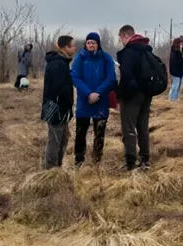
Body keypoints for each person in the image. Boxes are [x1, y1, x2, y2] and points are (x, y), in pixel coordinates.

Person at [71, 32, 116, 166]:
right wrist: (88, 93)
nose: (91, 45)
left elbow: (111, 78)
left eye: (93, 43)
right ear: (86, 44)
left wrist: (98, 93)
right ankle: (79, 160)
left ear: (98, 44)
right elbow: (75, 77)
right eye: (89, 42)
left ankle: (97, 159)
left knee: (100, 132)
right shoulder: (80, 58)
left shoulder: (106, 58)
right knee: (80, 132)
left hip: (100, 101)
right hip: (84, 101)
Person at [117, 25, 157, 171]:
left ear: (126, 36)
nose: (121, 41)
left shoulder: (129, 52)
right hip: (147, 95)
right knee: (143, 128)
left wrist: (120, 94)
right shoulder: (146, 50)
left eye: (121, 37)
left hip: (132, 96)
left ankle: (131, 163)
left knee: (128, 129)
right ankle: (145, 161)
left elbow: (126, 76)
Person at [41, 36, 77, 168]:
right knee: (55, 141)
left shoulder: (62, 62)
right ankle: (51, 171)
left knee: (63, 140)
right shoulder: (57, 64)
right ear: (65, 47)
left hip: (62, 110)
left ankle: (57, 167)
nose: (75, 48)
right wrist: (63, 108)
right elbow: (59, 90)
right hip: (56, 110)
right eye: (73, 46)